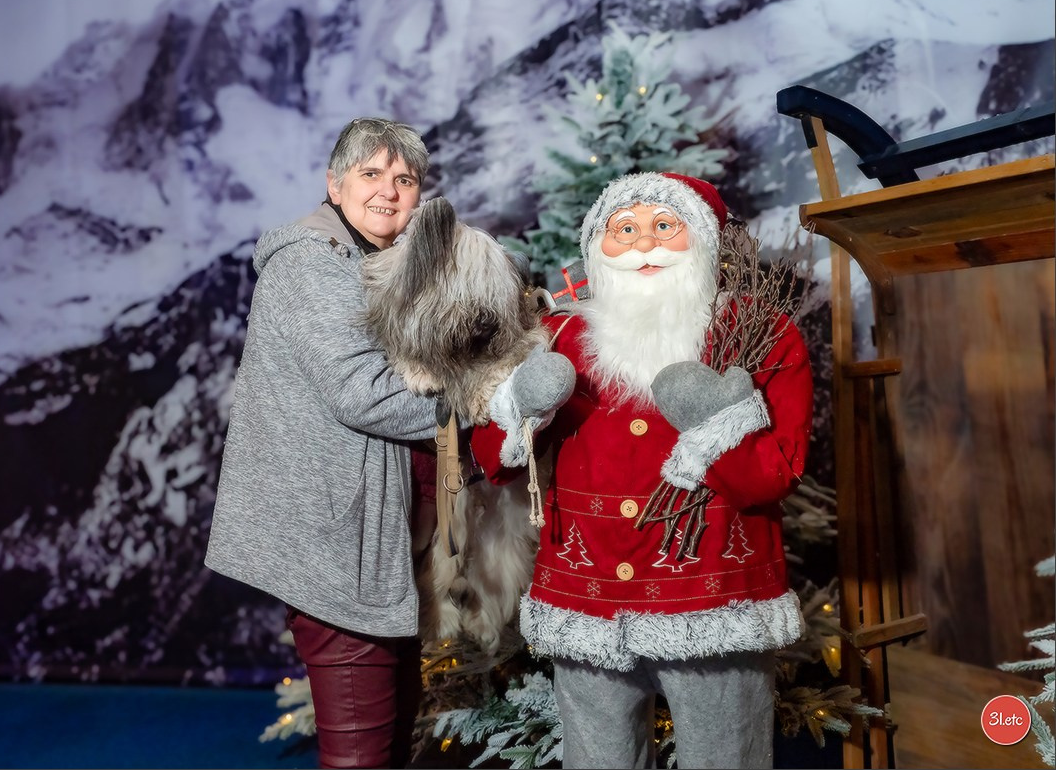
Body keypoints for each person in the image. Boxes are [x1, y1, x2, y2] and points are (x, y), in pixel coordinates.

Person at [470, 172, 814, 769]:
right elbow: (495, 463)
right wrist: (519, 406)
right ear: (595, 250)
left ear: (702, 240)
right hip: (587, 598)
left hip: (713, 599)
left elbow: (773, 476)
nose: (645, 245)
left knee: (725, 758)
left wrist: (716, 423)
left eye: (664, 227)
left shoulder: (759, 334)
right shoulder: (560, 337)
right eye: (623, 230)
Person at [205, 117, 442, 770]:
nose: (389, 191)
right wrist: (482, 403)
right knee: (361, 750)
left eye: (405, 178)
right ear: (334, 184)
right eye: (371, 174)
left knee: (392, 732)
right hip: (336, 548)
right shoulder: (312, 264)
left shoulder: (378, 262)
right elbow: (363, 394)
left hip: (377, 541)